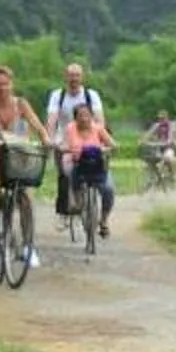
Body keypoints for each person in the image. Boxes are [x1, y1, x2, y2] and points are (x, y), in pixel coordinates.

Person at [0, 66, 48, 244]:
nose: (2, 88)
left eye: (6, 84)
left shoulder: (21, 104)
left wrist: (46, 140)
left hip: (17, 152)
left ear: (12, 84)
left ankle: (28, 244)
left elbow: (38, 126)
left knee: (27, 195)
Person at [45, 61, 108, 229]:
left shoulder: (91, 95)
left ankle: (89, 204)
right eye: (71, 75)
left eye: (77, 75)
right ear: (65, 77)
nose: (74, 78)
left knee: (94, 169)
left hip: (88, 138)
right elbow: (52, 119)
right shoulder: (57, 95)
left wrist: (101, 139)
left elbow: (99, 119)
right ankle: (63, 213)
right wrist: (50, 139)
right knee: (64, 176)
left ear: (82, 77)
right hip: (64, 139)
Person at [61, 103, 116, 236]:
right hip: (76, 163)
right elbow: (64, 144)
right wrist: (67, 150)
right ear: (75, 118)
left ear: (91, 116)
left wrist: (107, 149)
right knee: (72, 175)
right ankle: (77, 202)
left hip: (97, 164)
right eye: (80, 116)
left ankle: (103, 221)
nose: (84, 119)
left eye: (87, 115)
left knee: (108, 189)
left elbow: (112, 144)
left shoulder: (98, 128)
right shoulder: (70, 128)